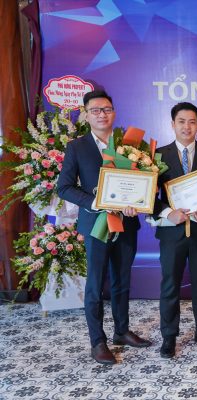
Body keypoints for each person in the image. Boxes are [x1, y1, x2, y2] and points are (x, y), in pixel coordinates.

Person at [57, 89, 151, 365]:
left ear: (114, 112)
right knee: (96, 284)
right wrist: (95, 202)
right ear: (86, 115)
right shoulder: (77, 147)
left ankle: (121, 331)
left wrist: (138, 202)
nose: (102, 114)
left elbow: (142, 181)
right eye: (95, 110)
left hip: (126, 222)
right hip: (96, 223)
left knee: (122, 280)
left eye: (107, 109)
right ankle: (97, 341)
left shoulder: (129, 144)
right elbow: (64, 187)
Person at [153, 102, 197, 358]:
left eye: (192, 122)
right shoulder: (158, 156)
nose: (187, 127)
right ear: (172, 124)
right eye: (182, 121)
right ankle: (168, 336)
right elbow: (149, 198)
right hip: (171, 232)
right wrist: (167, 213)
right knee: (169, 285)